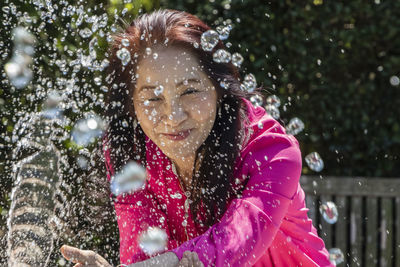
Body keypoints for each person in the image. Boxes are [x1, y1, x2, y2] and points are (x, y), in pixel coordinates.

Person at [60, 9, 333, 267]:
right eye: (153, 98)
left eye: (190, 91)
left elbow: (231, 247)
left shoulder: (270, 150)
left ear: (219, 88)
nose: (173, 116)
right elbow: (142, 255)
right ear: (131, 104)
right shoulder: (131, 154)